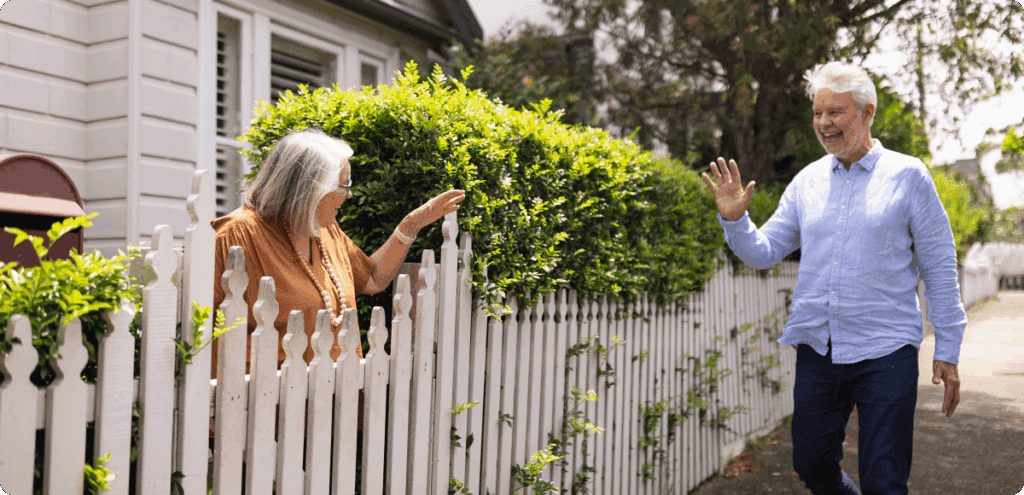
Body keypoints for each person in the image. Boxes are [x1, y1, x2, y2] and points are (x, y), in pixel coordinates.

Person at [700, 62, 965, 495]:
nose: (823, 124)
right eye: (818, 113)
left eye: (835, 113)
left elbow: (939, 264)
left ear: (866, 112)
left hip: (887, 348)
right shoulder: (807, 181)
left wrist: (948, 348)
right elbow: (765, 252)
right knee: (811, 462)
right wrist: (736, 221)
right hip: (819, 346)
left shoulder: (908, 175)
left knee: (885, 479)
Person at [211, 128, 465, 371]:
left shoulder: (323, 230)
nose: (350, 194)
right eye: (343, 184)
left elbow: (373, 278)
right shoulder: (235, 236)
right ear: (309, 187)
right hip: (270, 404)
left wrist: (411, 225)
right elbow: (207, 336)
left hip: (339, 401)